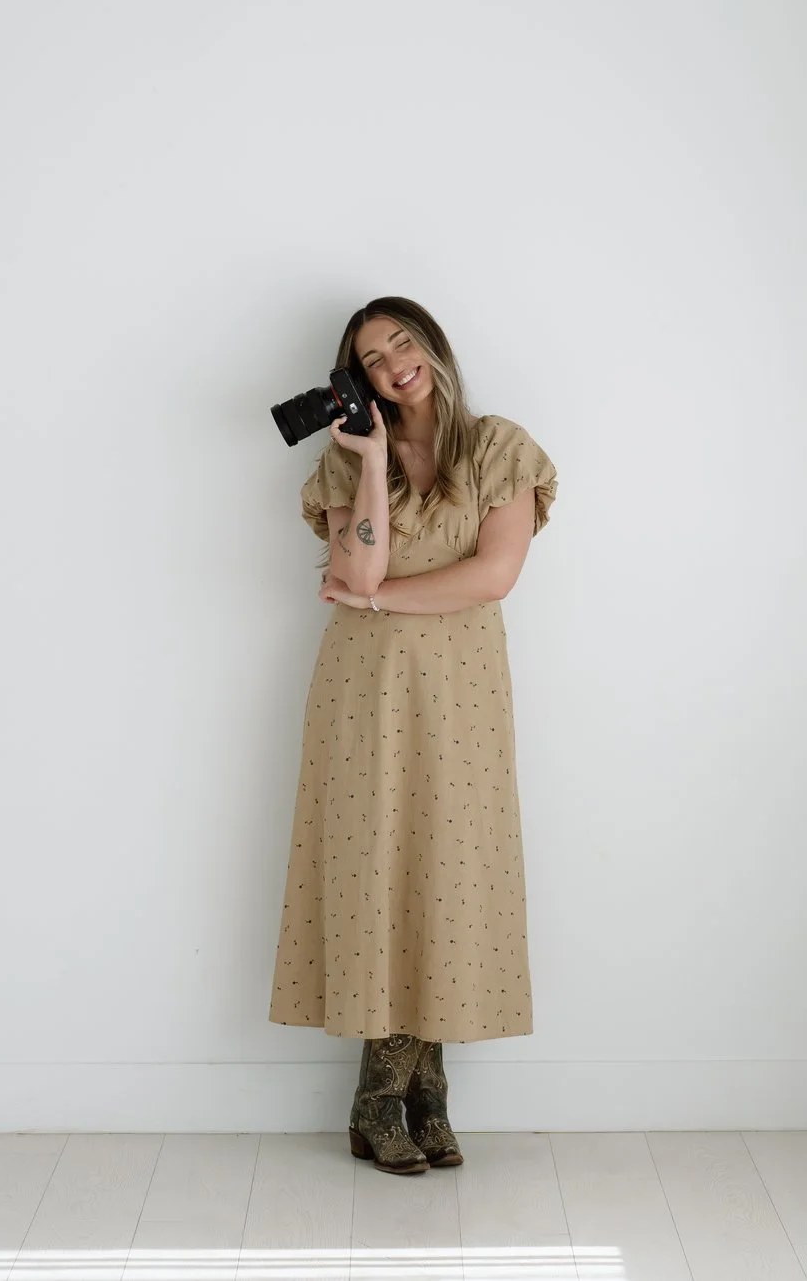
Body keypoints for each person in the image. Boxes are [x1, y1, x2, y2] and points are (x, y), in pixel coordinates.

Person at [269, 296, 559, 1175]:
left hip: (462, 689)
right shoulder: (352, 456)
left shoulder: (499, 446)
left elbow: (494, 574)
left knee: (447, 869)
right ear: (357, 378)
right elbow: (351, 565)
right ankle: (396, 1098)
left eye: (404, 340)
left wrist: (380, 597)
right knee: (376, 869)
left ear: (431, 345)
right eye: (373, 355)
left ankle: (402, 1095)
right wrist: (366, 462)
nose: (396, 361)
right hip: (365, 688)